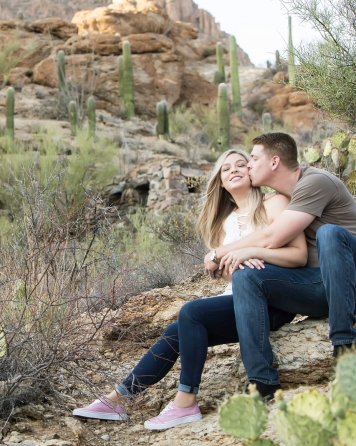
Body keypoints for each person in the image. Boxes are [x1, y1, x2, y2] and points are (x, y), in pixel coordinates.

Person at [73, 149, 307, 430]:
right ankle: (118, 398)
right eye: (225, 168)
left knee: (191, 313)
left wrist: (254, 253)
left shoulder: (276, 204)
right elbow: (225, 275)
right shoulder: (225, 223)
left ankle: (186, 401)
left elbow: (298, 256)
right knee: (176, 331)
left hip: (272, 302)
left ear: (253, 171)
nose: (234, 170)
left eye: (241, 165)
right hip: (237, 300)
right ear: (220, 181)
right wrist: (231, 264)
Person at [206, 133, 356, 398]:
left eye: (254, 159)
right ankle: (262, 380)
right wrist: (241, 259)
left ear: (274, 162)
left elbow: (272, 237)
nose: (248, 165)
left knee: (329, 234)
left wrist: (217, 254)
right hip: (319, 285)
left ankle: (345, 344)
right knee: (246, 276)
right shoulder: (281, 198)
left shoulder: (316, 182)